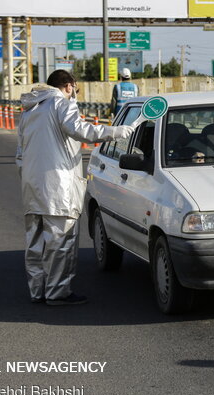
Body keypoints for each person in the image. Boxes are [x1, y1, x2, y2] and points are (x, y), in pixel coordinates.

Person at [16, 69, 134, 306]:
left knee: (36, 243)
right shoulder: (61, 104)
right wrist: (118, 132)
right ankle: (58, 293)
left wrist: (30, 178)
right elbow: (81, 130)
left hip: (32, 187)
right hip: (58, 186)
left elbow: (20, 154)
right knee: (61, 242)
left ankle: (37, 290)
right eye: (75, 90)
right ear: (68, 86)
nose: (75, 95)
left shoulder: (29, 111)